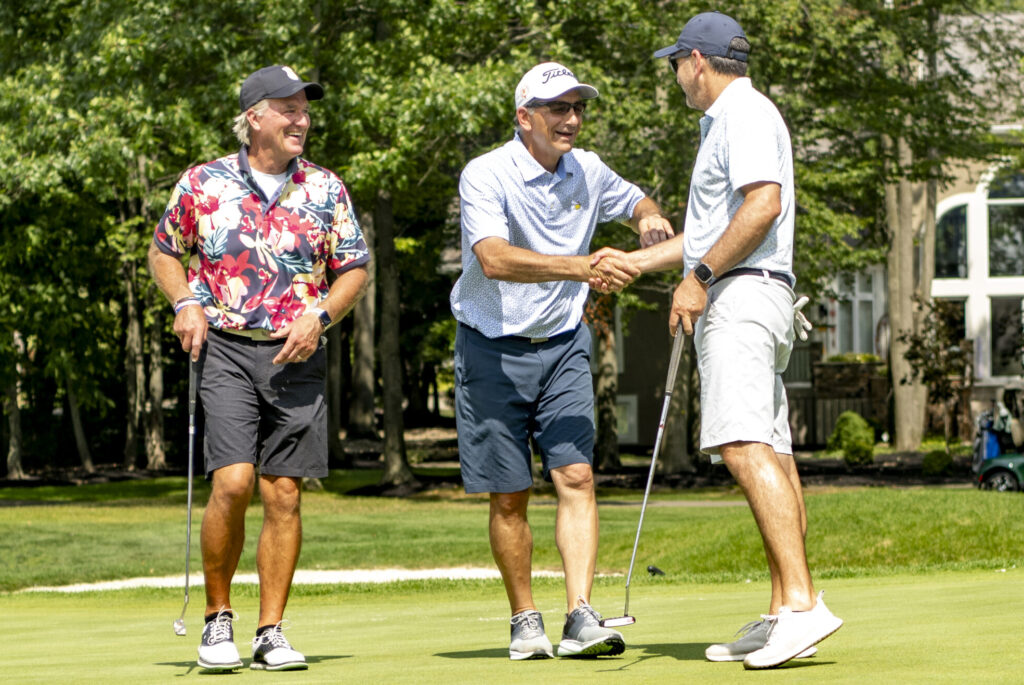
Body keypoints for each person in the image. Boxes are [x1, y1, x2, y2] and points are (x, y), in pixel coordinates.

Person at [597, 12, 841, 669]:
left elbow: (763, 206)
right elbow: (711, 227)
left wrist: (700, 278)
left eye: (676, 63)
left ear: (697, 62)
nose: (676, 75)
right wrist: (639, 263)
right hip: (752, 292)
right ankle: (782, 612)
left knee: (740, 442)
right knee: (771, 451)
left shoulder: (744, 115)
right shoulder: (733, 120)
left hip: (741, 296)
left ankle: (803, 602)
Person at [449, 61, 674, 661]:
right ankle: (525, 618)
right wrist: (585, 267)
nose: (571, 119)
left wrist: (648, 216)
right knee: (509, 493)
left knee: (576, 475)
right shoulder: (486, 173)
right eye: (558, 109)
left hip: (564, 343)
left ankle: (580, 614)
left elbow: (634, 199)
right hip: (490, 346)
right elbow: (493, 258)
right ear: (525, 118)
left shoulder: (589, 169)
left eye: (578, 108)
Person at [148, 65, 370, 672]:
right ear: (254, 117)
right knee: (234, 482)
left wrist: (320, 317)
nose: (302, 120)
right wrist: (185, 301)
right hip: (224, 347)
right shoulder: (203, 183)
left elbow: (354, 268)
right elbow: (165, 252)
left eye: (305, 110)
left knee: (285, 493)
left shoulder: (327, 189)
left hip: (297, 352)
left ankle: (271, 630)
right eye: (289, 109)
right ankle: (218, 620)